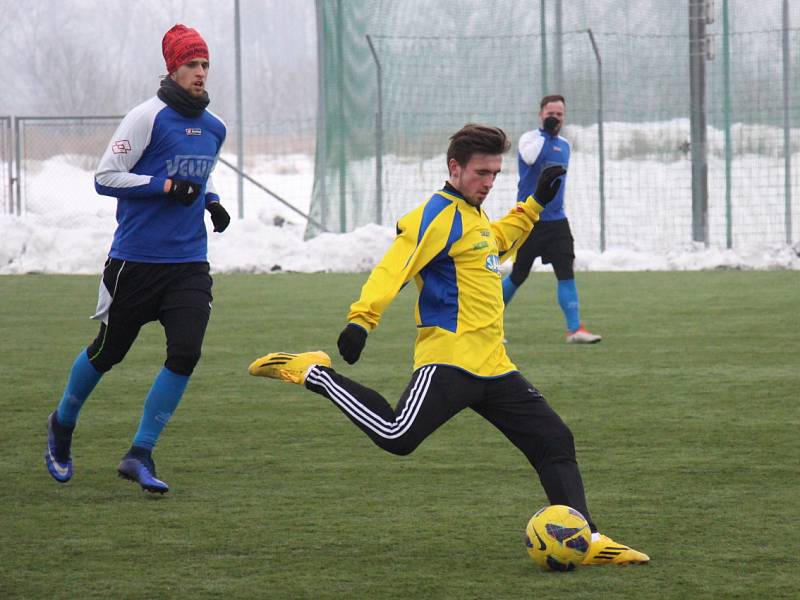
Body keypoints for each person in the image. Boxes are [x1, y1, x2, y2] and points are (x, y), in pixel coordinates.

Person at [248, 124, 648, 565]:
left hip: (494, 365)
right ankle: (312, 371)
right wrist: (361, 320)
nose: (490, 182)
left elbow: (495, 244)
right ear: (454, 168)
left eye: (496, 173)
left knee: (554, 438)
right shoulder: (434, 215)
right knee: (397, 435)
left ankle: (587, 541)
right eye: (482, 172)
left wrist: (534, 205)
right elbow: (394, 266)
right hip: (450, 360)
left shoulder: (474, 215)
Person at [44, 24, 229, 494]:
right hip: (135, 263)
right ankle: (62, 424)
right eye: (192, 64)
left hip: (189, 265)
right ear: (172, 68)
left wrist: (211, 201)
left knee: (185, 353)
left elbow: (197, 175)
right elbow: (106, 177)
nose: (201, 73)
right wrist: (163, 187)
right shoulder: (146, 117)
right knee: (109, 352)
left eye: (205, 64)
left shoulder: (214, 128)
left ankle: (139, 453)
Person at [502, 94, 602, 344]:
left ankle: (575, 330)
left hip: (557, 222)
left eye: (559, 114)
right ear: (540, 114)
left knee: (566, 272)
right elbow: (532, 158)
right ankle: (485, 324)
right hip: (528, 220)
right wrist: (546, 134)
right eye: (550, 113)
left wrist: (553, 136)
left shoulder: (565, 145)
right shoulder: (530, 139)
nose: (554, 117)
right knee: (518, 275)